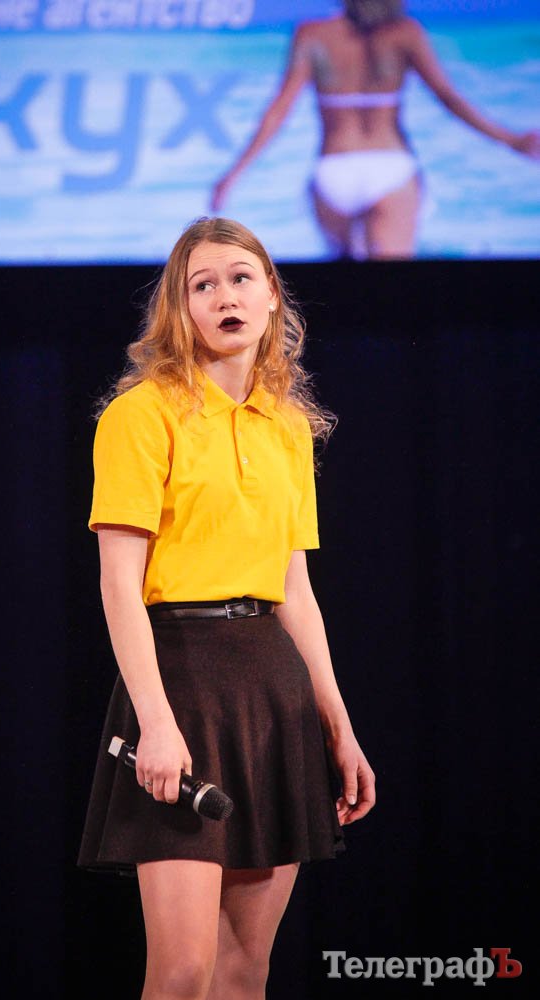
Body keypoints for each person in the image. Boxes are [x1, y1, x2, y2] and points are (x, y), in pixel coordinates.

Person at [77, 216, 375, 1000]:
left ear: (272, 295)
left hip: (271, 685)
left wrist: (338, 725)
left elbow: (295, 590)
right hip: (181, 680)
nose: (224, 297)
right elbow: (118, 585)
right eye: (201, 285)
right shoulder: (142, 414)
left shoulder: (286, 426)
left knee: (245, 971)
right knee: (182, 971)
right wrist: (156, 722)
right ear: (180, 309)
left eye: (240, 278)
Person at [211, 0, 540, 260]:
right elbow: (449, 99)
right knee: (393, 294)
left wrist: (234, 174)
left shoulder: (312, 34)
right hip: (391, 170)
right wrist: (510, 140)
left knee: (340, 295)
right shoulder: (404, 33)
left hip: (333, 172)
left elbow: (278, 111)